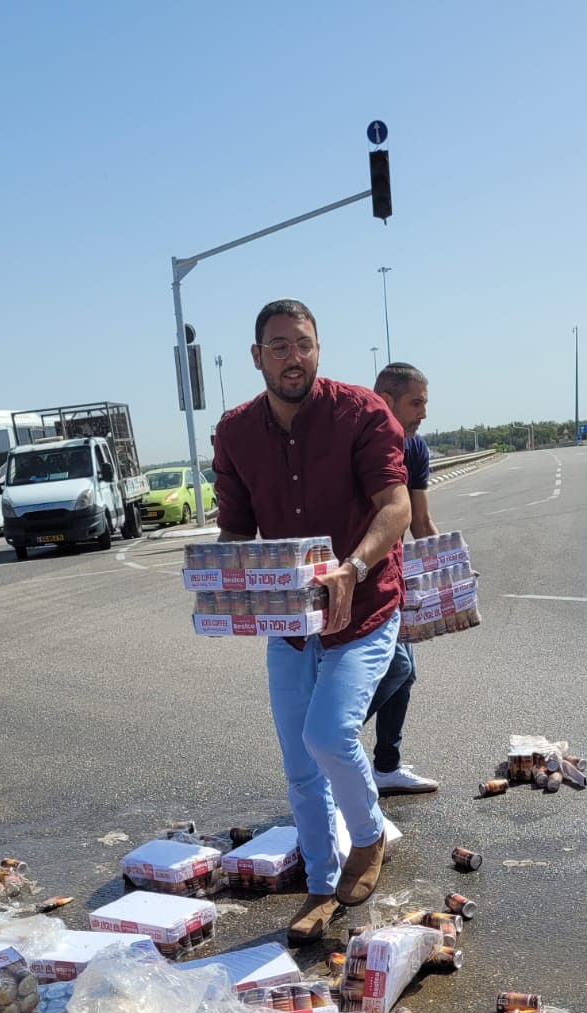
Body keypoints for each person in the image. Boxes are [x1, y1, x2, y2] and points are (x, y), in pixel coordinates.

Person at [213, 299, 411, 944]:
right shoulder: (236, 431)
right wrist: (223, 582)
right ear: (257, 357)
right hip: (290, 621)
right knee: (298, 763)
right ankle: (322, 885)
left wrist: (352, 567)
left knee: (328, 735)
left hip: (363, 605)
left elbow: (396, 506)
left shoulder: (361, 412)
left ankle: (371, 833)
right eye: (277, 346)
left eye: (302, 345)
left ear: (318, 349)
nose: (291, 358)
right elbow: (237, 532)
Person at [366, 363, 440, 794]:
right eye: (416, 403)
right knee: (398, 664)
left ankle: (386, 766)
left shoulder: (414, 449)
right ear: (387, 400)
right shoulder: (356, 440)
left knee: (405, 672)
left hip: (397, 576)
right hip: (357, 575)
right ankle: (327, 749)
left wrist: (450, 570)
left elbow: (421, 523)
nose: (424, 413)